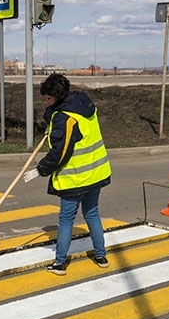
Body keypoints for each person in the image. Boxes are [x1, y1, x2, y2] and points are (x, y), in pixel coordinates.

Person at [22, 74, 111, 275]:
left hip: (75, 177)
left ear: (56, 96)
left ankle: (60, 263)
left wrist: (40, 170)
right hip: (95, 173)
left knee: (66, 219)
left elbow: (60, 153)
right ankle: (101, 256)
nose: (46, 101)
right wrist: (51, 118)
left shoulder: (64, 118)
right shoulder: (83, 105)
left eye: (47, 98)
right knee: (92, 213)